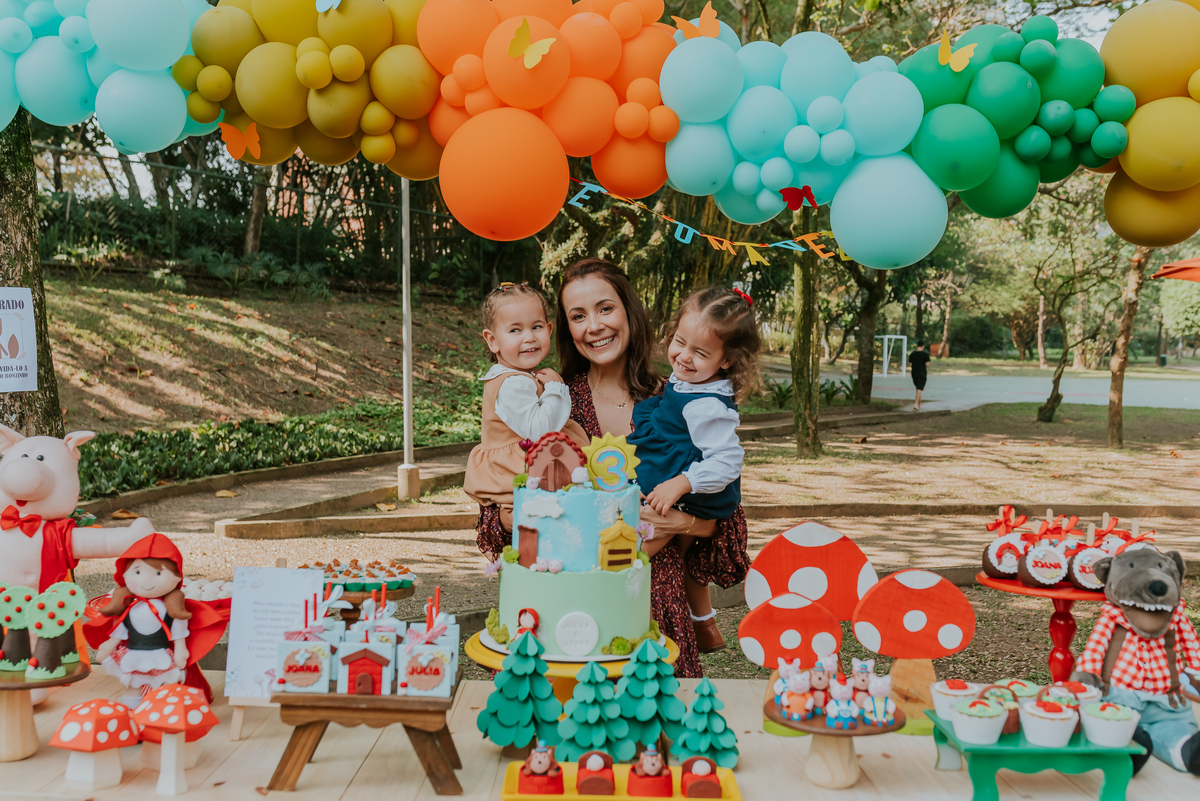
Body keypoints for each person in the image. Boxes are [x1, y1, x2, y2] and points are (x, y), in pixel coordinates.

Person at [477, 258, 751, 678]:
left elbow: (725, 519)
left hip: (654, 609)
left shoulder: (681, 395)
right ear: (564, 328)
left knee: (652, 738)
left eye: (605, 308)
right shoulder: (547, 404)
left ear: (628, 310)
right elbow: (499, 521)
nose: (594, 326)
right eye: (578, 316)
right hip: (558, 613)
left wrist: (682, 523)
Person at [629, 285, 759, 639]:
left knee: (643, 539)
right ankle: (703, 622)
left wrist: (681, 482)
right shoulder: (692, 378)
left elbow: (728, 461)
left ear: (726, 360)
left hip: (695, 489)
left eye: (700, 352)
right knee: (682, 557)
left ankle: (615, 575)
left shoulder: (709, 406)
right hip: (677, 475)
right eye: (679, 342)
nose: (684, 357)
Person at [464, 283, 588, 533]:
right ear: (492, 340)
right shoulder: (512, 383)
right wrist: (556, 388)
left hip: (532, 474)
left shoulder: (520, 377)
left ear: (549, 330)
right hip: (519, 474)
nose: (529, 337)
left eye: (536, 327)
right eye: (515, 330)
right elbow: (541, 432)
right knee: (540, 524)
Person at [908, 340, 930, 411]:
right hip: (922, 374)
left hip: (914, 374)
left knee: (918, 389)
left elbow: (911, 365)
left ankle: (919, 404)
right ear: (923, 346)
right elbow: (927, 365)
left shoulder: (912, 355)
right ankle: (916, 404)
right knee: (919, 389)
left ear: (917, 346)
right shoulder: (925, 355)